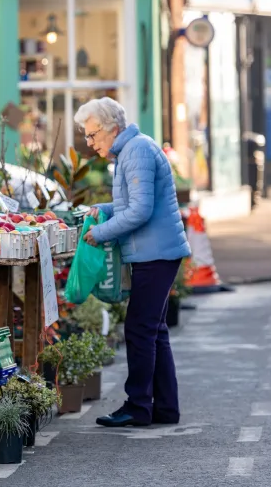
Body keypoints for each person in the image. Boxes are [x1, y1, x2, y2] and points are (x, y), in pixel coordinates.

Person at [74, 97, 191, 427]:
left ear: (112, 129)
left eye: (93, 134)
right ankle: (165, 407)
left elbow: (140, 211)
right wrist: (105, 209)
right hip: (157, 252)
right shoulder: (132, 149)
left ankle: (138, 406)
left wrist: (101, 232)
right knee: (154, 331)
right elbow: (133, 203)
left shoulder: (136, 151)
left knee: (139, 329)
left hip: (155, 254)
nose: (90, 142)